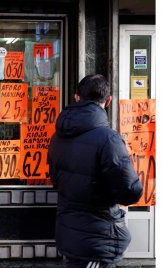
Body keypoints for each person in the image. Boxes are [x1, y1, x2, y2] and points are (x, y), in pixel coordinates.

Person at [48, 74, 143, 268]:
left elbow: (56, 180)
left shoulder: (58, 137)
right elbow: (130, 192)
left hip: (70, 233)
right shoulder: (109, 139)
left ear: (76, 97)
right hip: (98, 240)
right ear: (108, 101)